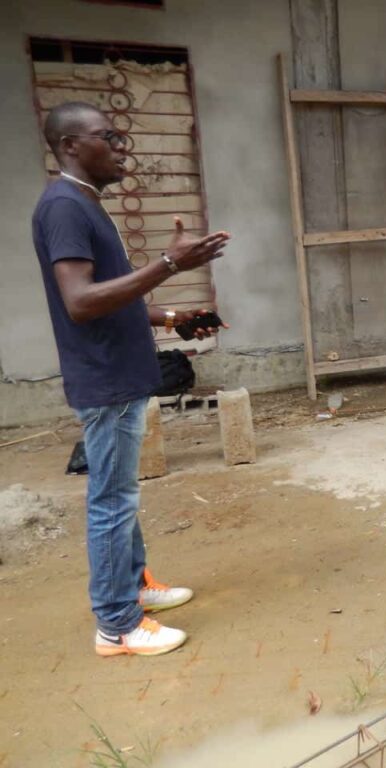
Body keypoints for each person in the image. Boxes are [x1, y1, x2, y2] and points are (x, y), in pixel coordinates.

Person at [32, 102, 232, 657]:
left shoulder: (85, 204)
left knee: (120, 493)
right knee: (111, 500)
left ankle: (134, 588)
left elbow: (109, 297)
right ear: (72, 145)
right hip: (107, 379)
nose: (122, 147)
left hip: (120, 374)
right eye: (109, 136)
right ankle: (117, 624)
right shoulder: (65, 208)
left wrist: (171, 317)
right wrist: (168, 265)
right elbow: (79, 302)